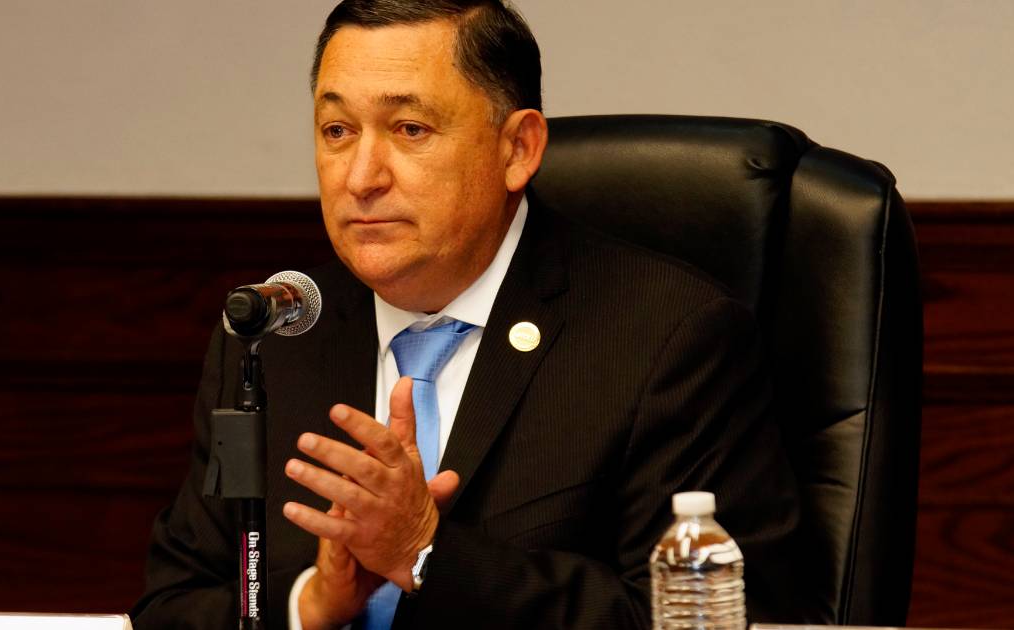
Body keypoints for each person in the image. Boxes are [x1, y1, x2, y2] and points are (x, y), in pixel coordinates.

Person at [132, 1, 801, 628]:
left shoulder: (667, 338)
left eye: (409, 129)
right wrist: (311, 604)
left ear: (518, 149)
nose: (361, 177)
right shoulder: (276, 336)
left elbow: (709, 618)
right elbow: (173, 601)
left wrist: (427, 553)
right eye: (338, 130)